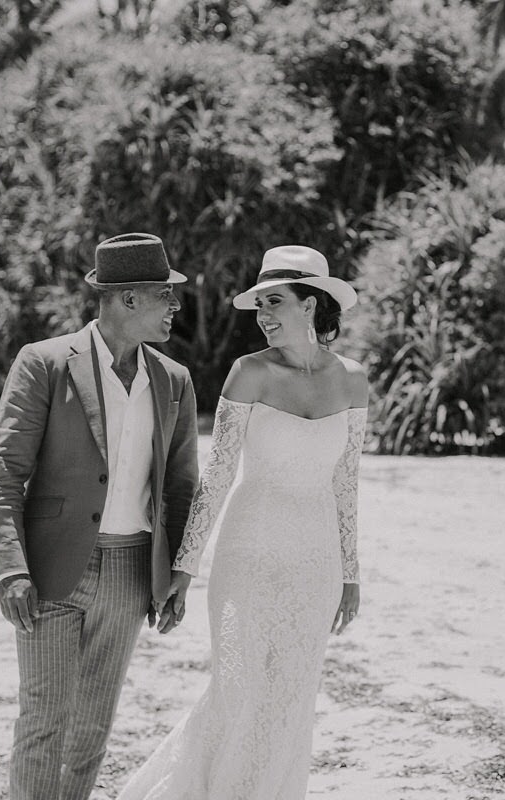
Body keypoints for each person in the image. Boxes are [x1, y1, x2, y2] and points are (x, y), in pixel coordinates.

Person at [117, 244, 368, 799]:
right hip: (247, 554)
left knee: (291, 697)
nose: (264, 317)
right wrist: (185, 566)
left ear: (312, 304)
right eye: (259, 307)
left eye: (275, 302)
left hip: (316, 561)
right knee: (238, 689)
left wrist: (350, 574)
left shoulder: (352, 380)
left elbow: (345, 483)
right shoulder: (248, 372)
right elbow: (218, 476)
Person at [0, 232, 199, 800]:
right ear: (128, 299)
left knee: (91, 732)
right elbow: (7, 472)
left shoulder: (173, 380)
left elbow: (181, 487)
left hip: (132, 571)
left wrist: (178, 572)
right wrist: (10, 569)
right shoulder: (45, 362)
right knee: (43, 722)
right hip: (51, 568)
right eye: (165, 295)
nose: (175, 307)